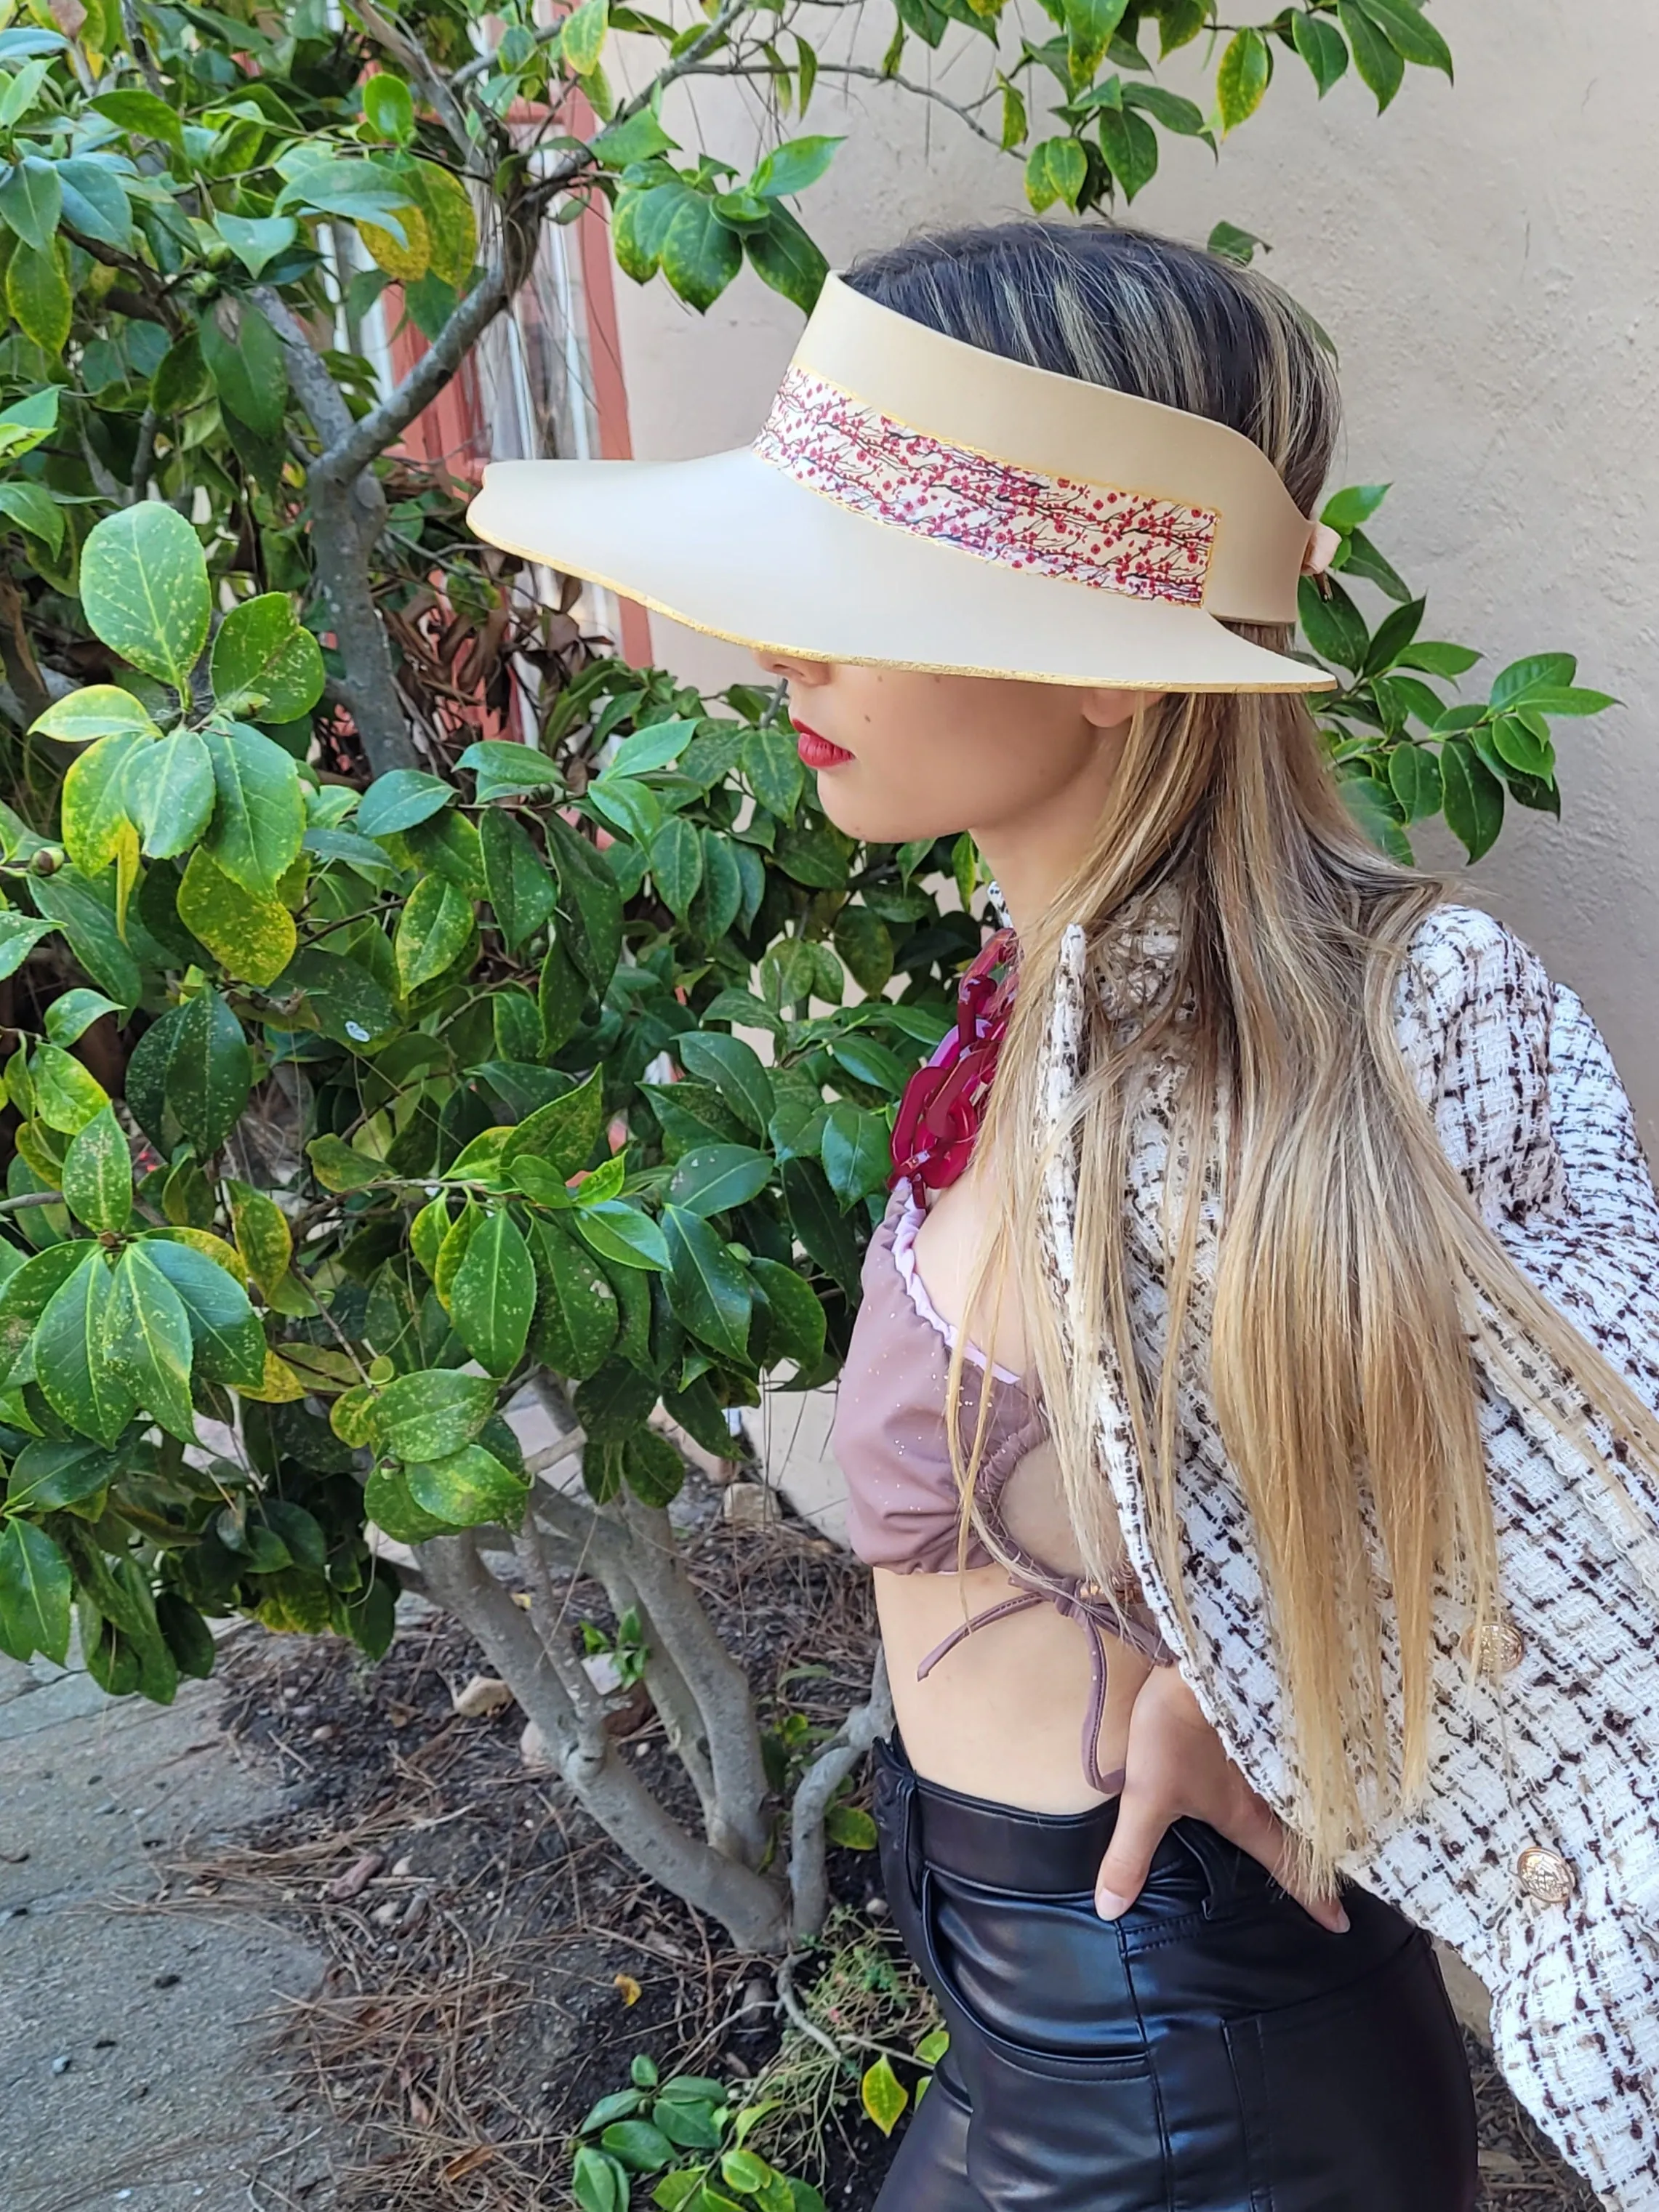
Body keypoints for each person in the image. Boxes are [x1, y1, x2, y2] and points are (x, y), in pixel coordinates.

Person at [468, 222, 1659, 2211]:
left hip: (1187, 2093)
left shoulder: (1366, 1030)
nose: (791, 650)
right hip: (1033, 2017)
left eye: (871, 589)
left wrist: (1302, 1679)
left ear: (1115, 663)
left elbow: (1595, 1540)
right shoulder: (1060, 988)